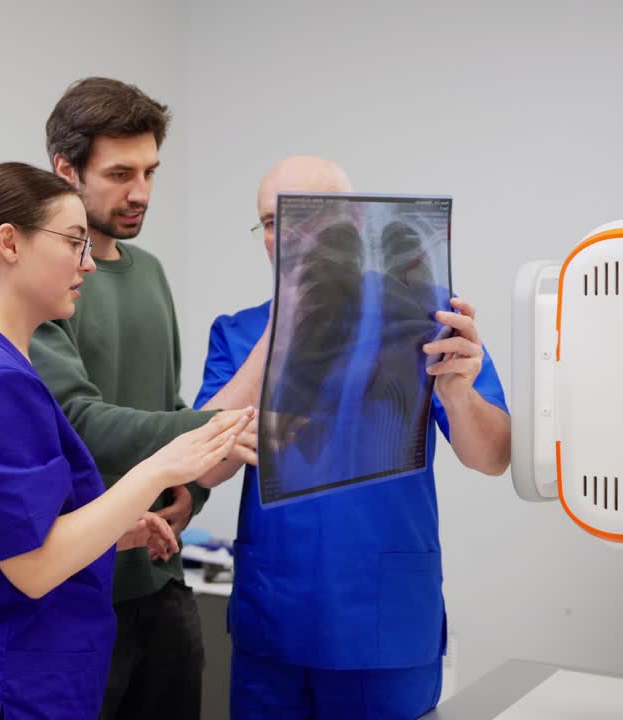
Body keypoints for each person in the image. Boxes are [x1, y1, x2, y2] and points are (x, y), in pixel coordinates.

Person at [0, 161, 253, 720]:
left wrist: (116, 532)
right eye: (74, 242)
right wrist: (157, 470)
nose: (88, 262)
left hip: (37, 676)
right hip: (7, 686)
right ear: (10, 243)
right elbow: (32, 567)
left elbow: (10, 538)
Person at [194, 155, 511, 719]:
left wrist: (459, 392)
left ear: (358, 227)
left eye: (307, 219)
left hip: (383, 624)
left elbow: (492, 457)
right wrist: (283, 328)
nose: (285, 238)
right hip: (275, 621)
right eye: (272, 222)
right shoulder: (238, 332)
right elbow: (206, 466)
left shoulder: (426, 321)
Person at [30, 77, 264, 720]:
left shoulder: (151, 272)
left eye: (151, 172)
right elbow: (80, 419)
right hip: (78, 588)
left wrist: (194, 491)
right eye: (120, 173)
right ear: (66, 169)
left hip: (160, 581)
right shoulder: (42, 285)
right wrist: (199, 440)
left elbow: (164, 405)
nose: (141, 193)